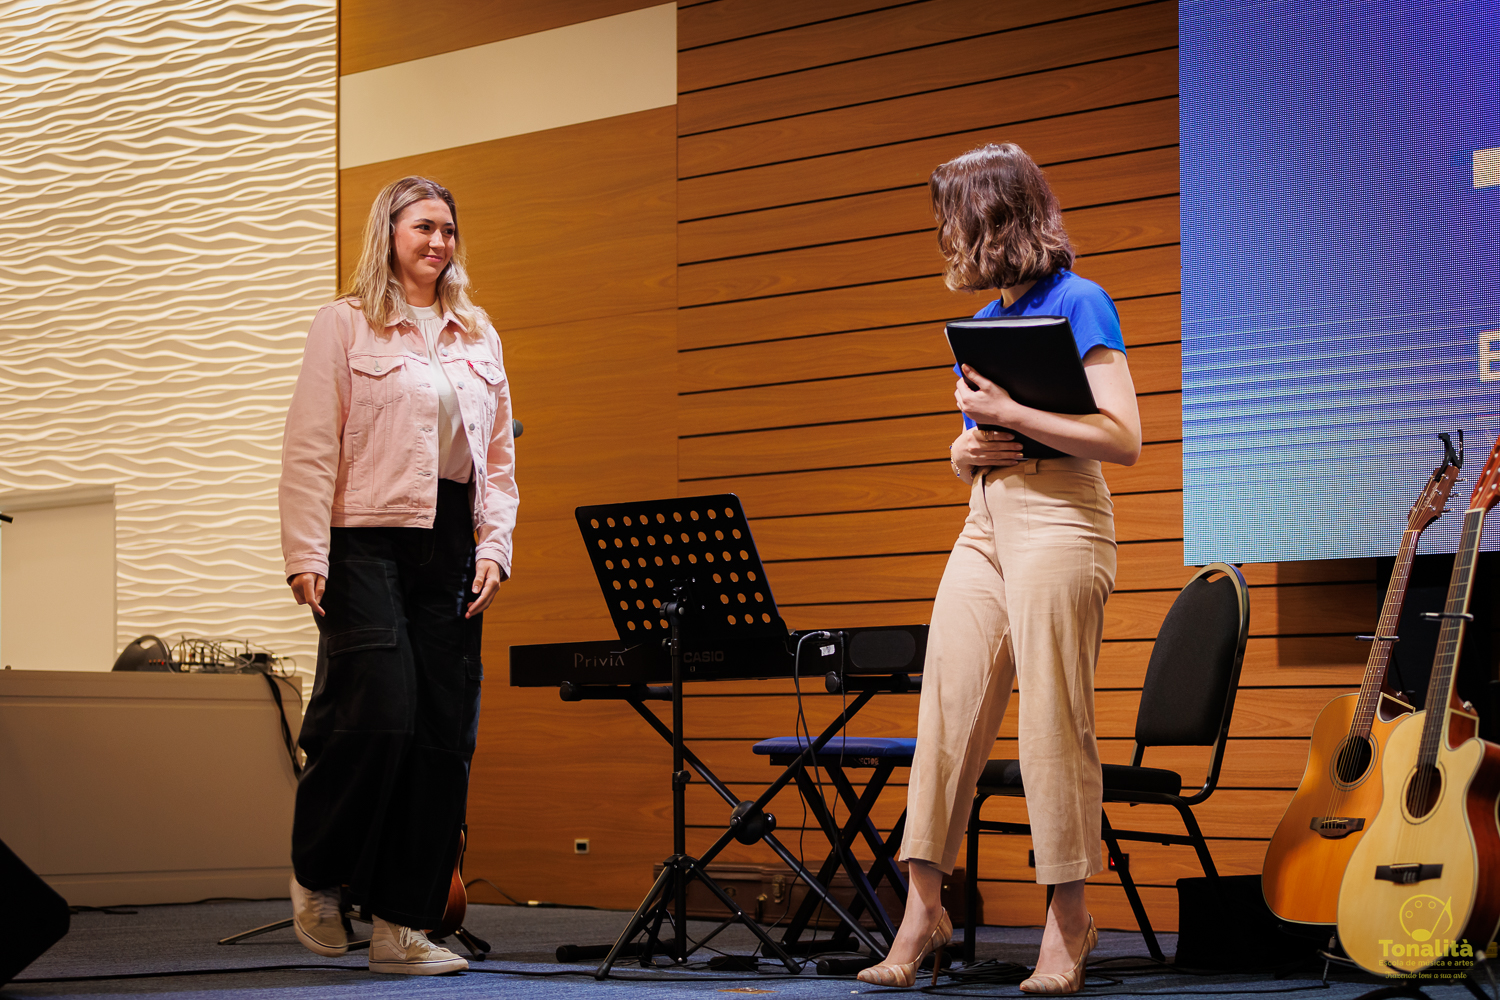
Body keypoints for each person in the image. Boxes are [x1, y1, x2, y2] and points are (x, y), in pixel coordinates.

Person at [858, 144, 1141, 993]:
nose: (945, 237)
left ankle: (1069, 922)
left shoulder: (1080, 300)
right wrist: (964, 450)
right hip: (985, 518)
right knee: (946, 711)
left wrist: (1011, 411)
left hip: (1063, 513)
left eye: (952, 220)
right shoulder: (987, 318)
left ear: (992, 219)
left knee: (1053, 718)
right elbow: (983, 438)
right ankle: (923, 912)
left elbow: (1122, 437)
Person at [277, 175, 518, 975]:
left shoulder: (477, 332)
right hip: (363, 539)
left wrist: (493, 548)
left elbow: (498, 462)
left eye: (448, 229)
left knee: (444, 736)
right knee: (379, 712)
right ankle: (319, 869)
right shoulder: (344, 325)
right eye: (424, 227)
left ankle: (402, 926)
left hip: (450, 546)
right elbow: (311, 445)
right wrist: (306, 553)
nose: (439, 242)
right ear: (389, 234)